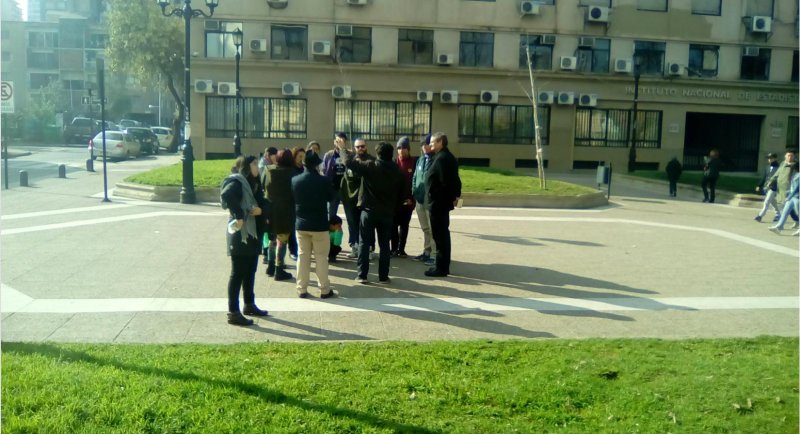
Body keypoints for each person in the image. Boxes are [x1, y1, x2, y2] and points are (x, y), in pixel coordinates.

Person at [220, 155, 269, 326]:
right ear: (247, 167)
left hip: (253, 234)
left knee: (250, 272)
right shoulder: (238, 182)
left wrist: (261, 211)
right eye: (255, 164)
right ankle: (233, 312)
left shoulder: (254, 184)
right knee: (237, 273)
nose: (258, 166)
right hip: (241, 234)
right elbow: (227, 195)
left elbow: (264, 203)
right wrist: (239, 215)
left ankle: (249, 304)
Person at [346, 142, 403, 284]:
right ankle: (383, 276)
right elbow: (402, 194)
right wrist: (394, 209)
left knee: (364, 243)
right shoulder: (397, 170)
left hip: (369, 210)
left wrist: (342, 149)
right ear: (392, 154)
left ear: (377, 153)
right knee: (384, 245)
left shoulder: (371, 166)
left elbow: (349, 164)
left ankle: (362, 275)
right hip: (387, 212)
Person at [291, 151, 335, 298]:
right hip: (320, 225)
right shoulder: (324, 181)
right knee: (321, 257)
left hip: (301, 225)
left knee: (303, 257)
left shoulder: (295, 180)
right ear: (317, 165)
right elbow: (331, 197)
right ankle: (324, 289)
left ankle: (301, 289)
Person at [424, 132, 461, 278]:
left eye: (433, 142)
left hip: (438, 205)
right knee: (442, 235)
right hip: (440, 203)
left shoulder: (443, 159)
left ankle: (441, 268)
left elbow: (446, 183)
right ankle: (442, 265)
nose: (430, 144)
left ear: (440, 142)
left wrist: (435, 196)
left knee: (440, 237)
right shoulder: (443, 157)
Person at [341, 138, 375, 259]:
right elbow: (346, 178)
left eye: (362, 146)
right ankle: (355, 247)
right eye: (358, 147)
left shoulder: (370, 160)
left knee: (366, 225)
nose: (360, 148)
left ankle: (370, 249)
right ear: (354, 148)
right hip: (351, 199)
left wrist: (343, 150)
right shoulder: (351, 160)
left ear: (366, 147)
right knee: (353, 224)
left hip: (365, 199)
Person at [264, 149, 295, 281]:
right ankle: (279, 268)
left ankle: (270, 265)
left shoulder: (268, 170)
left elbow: (263, 186)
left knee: (272, 238)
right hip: (286, 211)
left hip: (270, 209)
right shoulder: (292, 173)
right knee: (282, 240)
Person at [411, 135, 437, 267]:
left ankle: (434, 255)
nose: (424, 147)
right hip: (420, 200)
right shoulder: (420, 160)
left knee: (433, 229)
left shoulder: (436, 160)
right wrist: (414, 191)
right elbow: (415, 176)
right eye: (422, 145)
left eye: (426, 144)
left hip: (431, 201)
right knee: (425, 228)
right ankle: (426, 251)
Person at [391, 136, 416, 258]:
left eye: (404, 148)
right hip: (395, 202)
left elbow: (416, 182)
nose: (401, 150)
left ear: (409, 149)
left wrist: (411, 198)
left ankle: (401, 249)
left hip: (408, 201)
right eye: (399, 148)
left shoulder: (414, 162)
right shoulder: (393, 163)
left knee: (404, 226)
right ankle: (393, 248)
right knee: (393, 226)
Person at [768, 150, 799, 226]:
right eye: (788, 155)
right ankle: (797, 220)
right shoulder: (783, 164)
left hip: (789, 190)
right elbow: (776, 174)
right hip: (780, 190)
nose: (790, 157)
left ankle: (778, 224)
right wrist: (770, 182)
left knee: (784, 208)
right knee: (789, 208)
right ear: (785, 156)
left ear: (794, 156)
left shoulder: (796, 165)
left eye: (791, 155)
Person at [322, 133, 349, 220]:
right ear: (334, 142)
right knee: (331, 215)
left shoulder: (350, 154)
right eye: (338, 141)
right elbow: (324, 170)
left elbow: (349, 165)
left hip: (346, 189)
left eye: (342, 141)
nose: (339, 143)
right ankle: (331, 233)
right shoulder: (329, 155)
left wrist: (342, 150)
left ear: (345, 142)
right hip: (333, 188)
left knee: (350, 216)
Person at [755, 152, 780, 222]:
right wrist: (759, 185)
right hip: (766, 187)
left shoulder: (779, 167)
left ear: (775, 158)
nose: (769, 159)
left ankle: (760, 215)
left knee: (767, 202)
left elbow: (779, 179)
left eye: (771, 158)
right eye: (768, 158)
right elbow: (764, 177)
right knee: (773, 202)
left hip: (774, 187)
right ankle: (778, 214)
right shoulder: (767, 167)